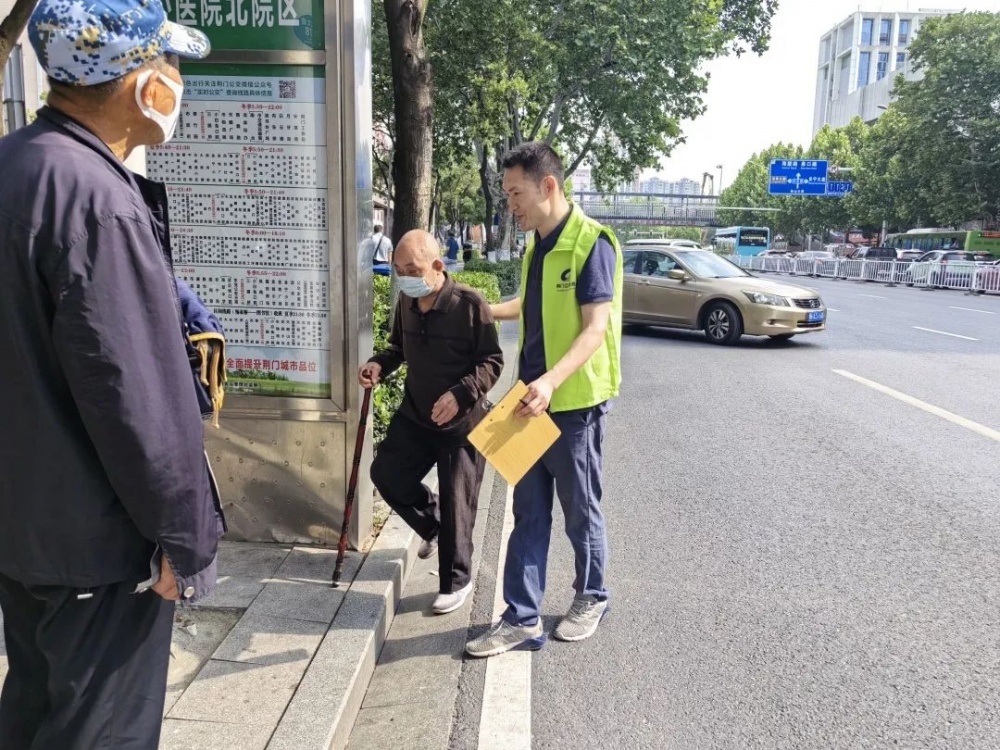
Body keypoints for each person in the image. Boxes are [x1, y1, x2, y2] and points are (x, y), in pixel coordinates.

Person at [0, 1, 226, 747]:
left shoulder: (15, 166)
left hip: (25, 530)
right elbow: (138, 399)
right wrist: (185, 540)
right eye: (170, 63)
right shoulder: (97, 201)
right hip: (99, 546)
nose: (177, 80)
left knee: (34, 716)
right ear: (140, 83)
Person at [465, 141, 623, 658]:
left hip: (573, 404)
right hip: (528, 402)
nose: (510, 203)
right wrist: (485, 308)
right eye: (507, 193)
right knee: (527, 512)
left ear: (547, 186)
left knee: (580, 509)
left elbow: (594, 328)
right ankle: (521, 617)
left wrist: (552, 381)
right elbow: (530, 305)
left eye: (516, 193)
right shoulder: (537, 245)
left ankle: (592, 596)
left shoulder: (590, 243)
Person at [360, 230, 503, 614]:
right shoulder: (406, 302)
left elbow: (492, 361)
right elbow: (398, 349)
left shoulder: (470, 304)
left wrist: (461, 393)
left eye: (412, 269)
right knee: (387, 474)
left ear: (437, 266)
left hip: (461, 425)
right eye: (399, 269)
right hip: (416, 415)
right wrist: (379, 364)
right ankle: (434, 524)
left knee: (459, 505)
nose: (404, 277)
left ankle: (457, 581)